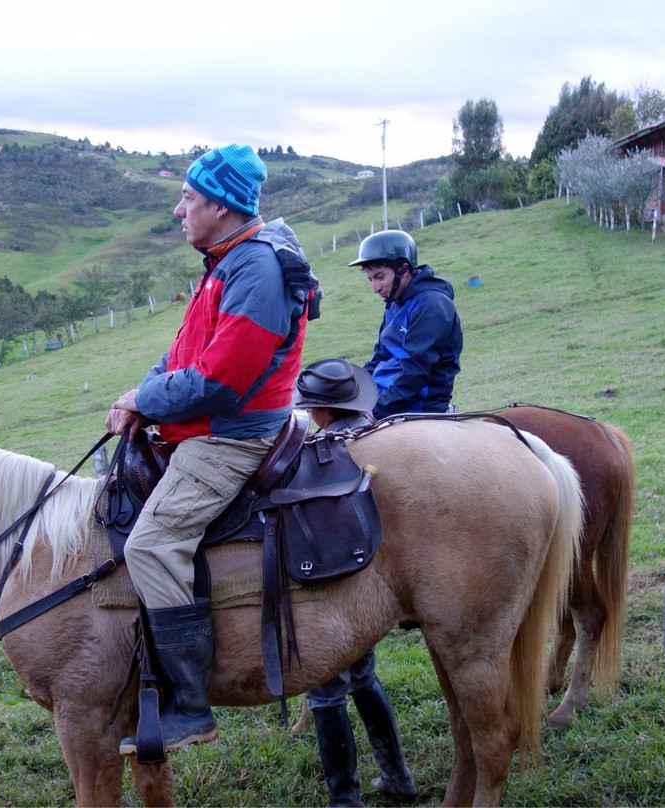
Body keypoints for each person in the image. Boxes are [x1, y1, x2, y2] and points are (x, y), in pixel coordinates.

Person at [104, 144, 316, 757]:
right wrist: (141, 391)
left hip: (232, 435)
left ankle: (190, 707)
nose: (179, 211)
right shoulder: (227, 261)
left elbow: (221, 382)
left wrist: (148, 399)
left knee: (152, 541)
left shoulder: (256, 271)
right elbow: (184, 355)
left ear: (221, 207)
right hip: (211, 422)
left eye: (189, 198)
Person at [293, 358, 418, 807]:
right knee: (363, 678)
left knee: (326, 693)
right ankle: (398, 776)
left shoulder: (319, 457)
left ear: (322, 413)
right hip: (373, 588)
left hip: (331, 586)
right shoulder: (375, 441)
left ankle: (345, 800)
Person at [351, 230, 462, 418]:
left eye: (380, 277)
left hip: (419, 408)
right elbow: (380, 356)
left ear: (403, 268)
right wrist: (354, 387)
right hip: (385, 400)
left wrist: (377, 411)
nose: (375, 288)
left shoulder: (430, 306)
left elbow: (416, 373)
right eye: (370, 279)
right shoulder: (394, 303)